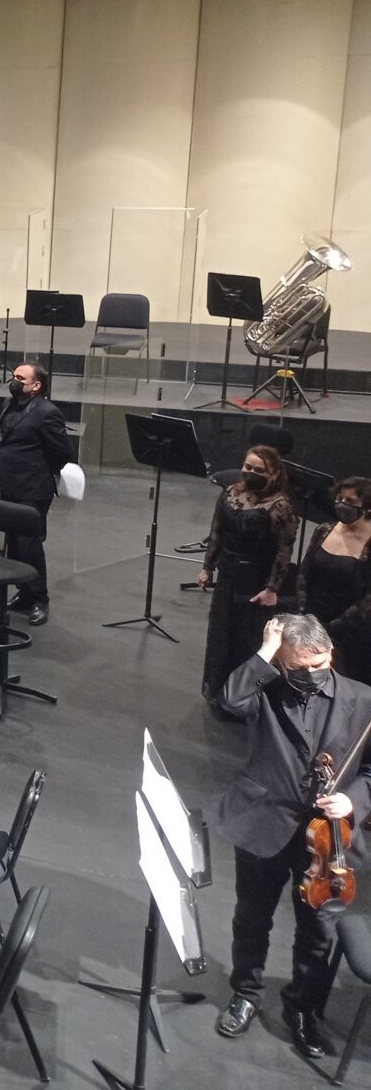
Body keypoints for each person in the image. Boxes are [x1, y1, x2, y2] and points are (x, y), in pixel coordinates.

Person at [214, 613, 371, 1060]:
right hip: (263, 821)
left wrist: (352, 801)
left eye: (317, 664)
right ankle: (246, 993)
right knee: (252, 918)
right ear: (282, 662)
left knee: (318, 929)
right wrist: (266, 651)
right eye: (297, 667)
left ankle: (302, 1008)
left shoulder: (364, 701)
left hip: (328, 839)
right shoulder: (265, 689)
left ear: (331, 653)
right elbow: (229, 700)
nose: (309, 674)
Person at [199, 445, 299, 705]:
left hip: (255, 581)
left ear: (274, 474)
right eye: (248, 467)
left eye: (259, 470)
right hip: (228, 575)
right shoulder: (230, 493)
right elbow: (216, 532)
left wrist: (272, 588)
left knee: (248, 639)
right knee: (221, 633)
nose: (251, 472)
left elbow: (284, 551)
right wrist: (207, 567)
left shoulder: (280, 506)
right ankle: (218, 689)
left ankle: (244, 697)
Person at [0, 362, 68, 626]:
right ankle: (24, 591)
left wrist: (39, 470)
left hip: (33, 488)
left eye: (20, 378)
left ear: (36, 385)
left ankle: (39, 597)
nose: (14, 381)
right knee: (13, 543)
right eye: (14, 376)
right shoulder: (9, 404)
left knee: (30, 544)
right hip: (10, 485)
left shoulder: (47, 412)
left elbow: (63, 452)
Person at [303, 477, 371, 680]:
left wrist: (332, 628)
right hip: (312, 619)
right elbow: (304, 572)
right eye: (339, 498)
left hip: (350, 632)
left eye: (350, 501)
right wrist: (303, 611)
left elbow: (368, 600)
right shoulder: (324, 530)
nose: (342, 504)